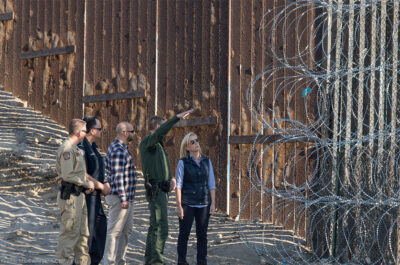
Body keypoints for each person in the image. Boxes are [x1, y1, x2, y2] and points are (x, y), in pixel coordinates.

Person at [140, 109, 193, 265]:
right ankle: (156, 261)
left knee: (154, 226)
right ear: (157, 128)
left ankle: (150, 260)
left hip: (162, 190)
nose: (166, 131)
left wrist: (170, 177)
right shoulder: (148, 141)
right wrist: (176, 118)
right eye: (163, 128)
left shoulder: (158, 146)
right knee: (161, 227)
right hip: (156, 191)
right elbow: (159, 134)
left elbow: (161, 165)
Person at [56, 119, 95, 265]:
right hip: (70, 197)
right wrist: (86, 183)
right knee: (69, 234)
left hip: (79, 196)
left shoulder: (75, 149)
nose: (86, 134)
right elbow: (68, 175)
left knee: (82, 235)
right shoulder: (67, 149)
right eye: (85, 131)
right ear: (79, 132)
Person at [175, 132, 216, 265]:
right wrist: (179, 205)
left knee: (202, 236)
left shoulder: (207, 161)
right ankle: (181, 261)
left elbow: (211, 184)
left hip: (204, 204)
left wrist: (213, 203)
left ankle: (202, 262)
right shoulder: (182, 163)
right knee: (184, 235)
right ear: (187, 147)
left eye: (197, 140)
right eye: (192, 142)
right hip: (187, 204)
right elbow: (178, 185)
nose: (196, 143)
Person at [78, 117, 110, 265]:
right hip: (87, 197)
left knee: (100, 233)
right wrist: (100, 186)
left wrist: (105, 183)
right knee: (88, 239)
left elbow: (99, 171)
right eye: (100, 128)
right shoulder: (81, 146)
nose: (102, 131)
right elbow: (82, 172)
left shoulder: (94, 147)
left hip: (97, 197)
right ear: (91, 130)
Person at [103, 122, 136, 265]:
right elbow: (118, 176)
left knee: (125, 231)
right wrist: (123, 198)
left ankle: (119, 261)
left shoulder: (122, 148)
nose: (134, 133)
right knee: (114, 232)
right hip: (119, 197)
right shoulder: (117, 149)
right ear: (125, 133)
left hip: (126, 197)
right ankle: (109, 262)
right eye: (132, 131)